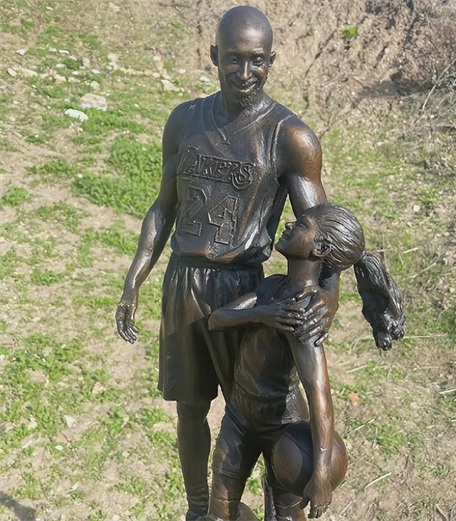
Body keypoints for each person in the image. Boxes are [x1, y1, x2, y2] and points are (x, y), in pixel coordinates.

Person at [115, 6, 339, 520]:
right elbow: (163, 207)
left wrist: (325, 301)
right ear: (214, 55)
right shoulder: (185, 121)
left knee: (268, 416)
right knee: (190, 409)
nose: (245, 72)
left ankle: (283, 507)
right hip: (184, 285)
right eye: (234, 59)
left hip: (246, 291)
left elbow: (322, 233)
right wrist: (135, 279)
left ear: (272, 60)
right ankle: (201, 510)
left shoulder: (290, 137)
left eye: (257, 60)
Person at [205, 203, 404, 521]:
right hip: (240, 417)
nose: (288, 224)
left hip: (284, 429)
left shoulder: (304, 315)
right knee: (219, 513)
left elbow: (319, 393)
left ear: (320, 248)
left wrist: (321, 473)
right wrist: (264, 314)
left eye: (300, 225)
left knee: (285, 515)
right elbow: (218, 319)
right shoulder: (274, 288)